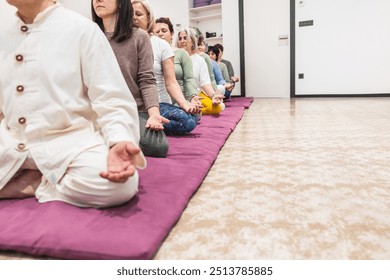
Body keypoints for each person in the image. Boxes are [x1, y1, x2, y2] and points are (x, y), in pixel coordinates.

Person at [0, 0, 145, 208]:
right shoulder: (3, 36)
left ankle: (31, 183)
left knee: (119, 184)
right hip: (11, 143)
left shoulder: (83, 30)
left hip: (70, 145)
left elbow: (112, 98)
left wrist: (119, 139)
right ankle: (47, 179)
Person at [91, 0, 169, 158]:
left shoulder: (139, 36)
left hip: (134, 109)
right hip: (99, 110)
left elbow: (147, 80)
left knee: (157, 147)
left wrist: (153, 113)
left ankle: (114, 140)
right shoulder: (89, 36)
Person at [132, 0, 199, 135]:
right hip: (134, 105)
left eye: (138, 14)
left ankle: (145, 123)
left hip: (159, 104)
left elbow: (171, 82)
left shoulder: (161, 45)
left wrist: (184, 103)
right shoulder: (124, 42)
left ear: (149, 18)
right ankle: (144, 122)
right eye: (131, 14)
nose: (134, 17)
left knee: (189, 120)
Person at [154, 17, 202, 116]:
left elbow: (189, 79)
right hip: (160, 101)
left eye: (164, 30)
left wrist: (193, 96)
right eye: (157, 31)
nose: (160, 34)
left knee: (189, 117)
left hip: (182, 99)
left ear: (171, 34)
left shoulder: (181, 53)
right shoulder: (151, 53)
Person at [176, 27, 224, 115]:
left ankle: (191, 110)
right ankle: (189, 110)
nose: (182, 41)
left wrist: (213, 96)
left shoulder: (200, 60)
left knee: (217, 107)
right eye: (180, 38)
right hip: (178, 95)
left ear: (192, 41)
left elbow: (205, 83)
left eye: (185, 38)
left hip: (196, 94)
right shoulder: (173, 57)